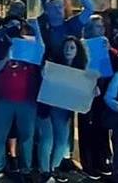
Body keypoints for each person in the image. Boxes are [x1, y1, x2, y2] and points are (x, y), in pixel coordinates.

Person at [0, 17, 44, 182]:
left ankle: (25, 169)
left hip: (27, 100)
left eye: (17, 25)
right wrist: (6, 58)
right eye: (10, 25)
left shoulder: (29, 43)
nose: (14, 28)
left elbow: (41, 50)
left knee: (26, 137)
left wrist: (36, 28)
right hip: (4, 100)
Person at [36, 36, 87, 183]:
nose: (68, 50)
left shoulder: (81, 69)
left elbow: (85, 89)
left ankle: (53, 169)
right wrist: (43, 73)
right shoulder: (53, 64)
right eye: (66, 47)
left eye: (72, 47)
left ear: (78, 50)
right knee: (47, 140)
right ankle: (45, 172)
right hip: (46, 107)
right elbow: (43, 77)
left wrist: (92, 89)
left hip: (63, 111)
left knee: (61, 142)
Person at [78, 15, 116, 180]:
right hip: (86, 92)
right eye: (94, 27)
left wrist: (110, 50)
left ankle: (103, 160)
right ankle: (89, 165)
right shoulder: (81, 45)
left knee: (102, 128)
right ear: (87, 30)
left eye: (100, 27)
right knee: (87, 127)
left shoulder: (107, 46)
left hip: (104, 92)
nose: (98, 30)